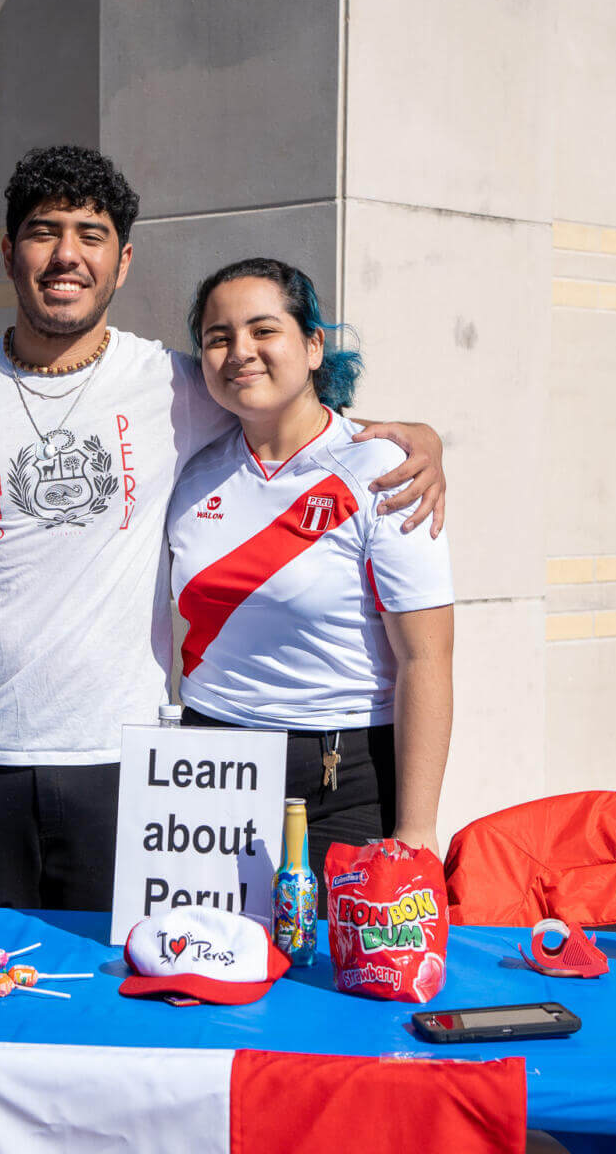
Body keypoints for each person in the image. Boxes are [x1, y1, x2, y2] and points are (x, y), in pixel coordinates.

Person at [0, 146, 449, 910]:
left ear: (121, 261)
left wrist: (416, 438)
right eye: (43, 231)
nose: (66, 255)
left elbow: (285, 401)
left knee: (119, 1007)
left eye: (90, 234)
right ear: (8, 251)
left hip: (131, 767)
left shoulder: (177, 384)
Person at [167, 258, 454, 895]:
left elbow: (427, 660)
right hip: (209, 765)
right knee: (200, 975)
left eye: (263, 330)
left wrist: (417, 832)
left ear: (314, 343)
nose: (241, 351)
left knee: (328, 983)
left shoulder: (384, 471)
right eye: (218, 337)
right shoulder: (186, 471)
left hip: (340, 778)